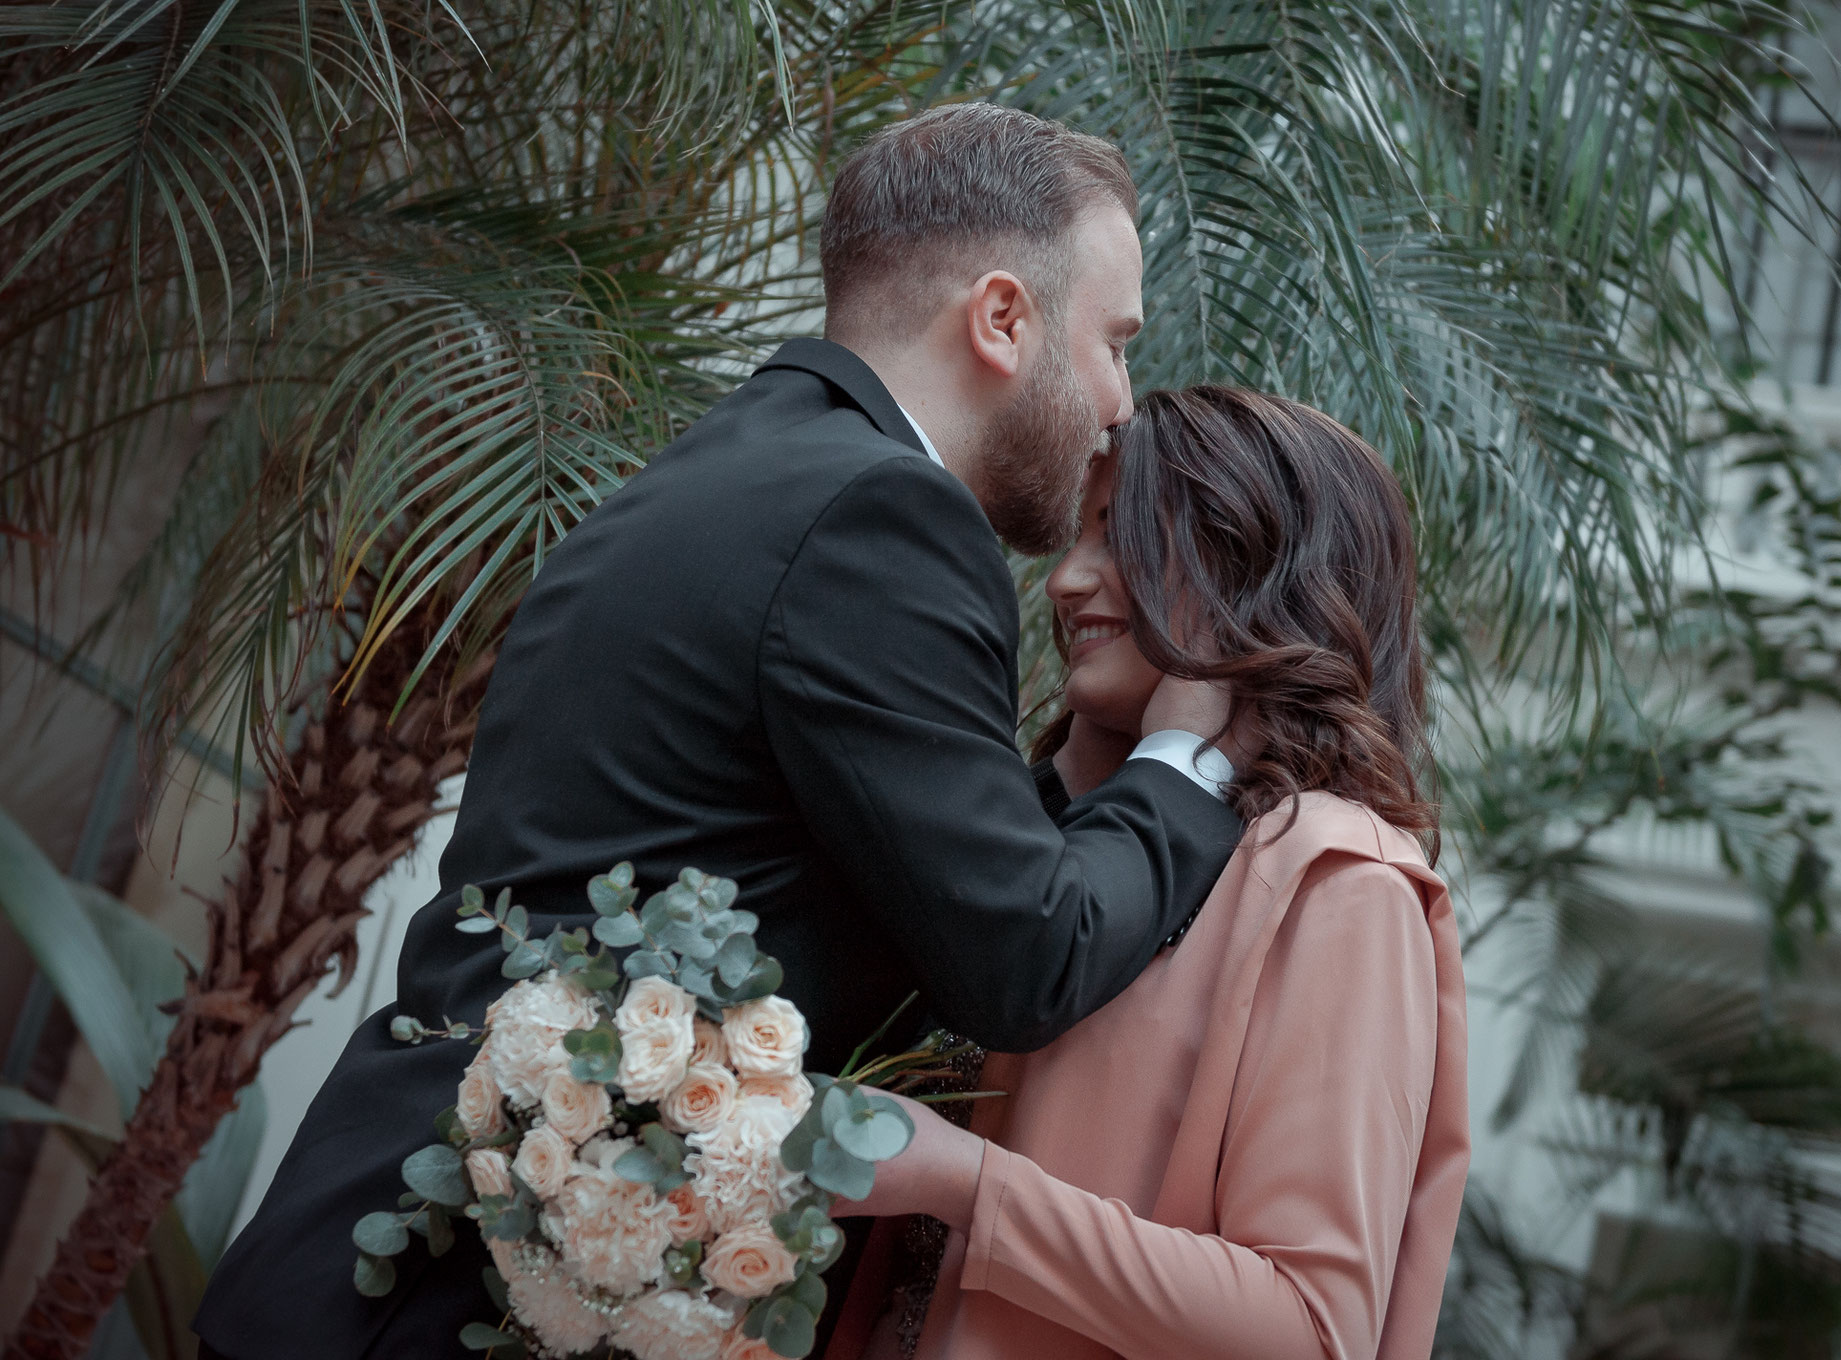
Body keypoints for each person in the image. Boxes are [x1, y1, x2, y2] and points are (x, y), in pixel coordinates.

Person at [194, 107, 1246, 1359]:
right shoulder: (883, 518)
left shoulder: (707, 476)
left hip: (364, 1262)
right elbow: (1022, 954)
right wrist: (1189, 761)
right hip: (458, 1306)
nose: (1119, 406)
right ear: (1003, 319)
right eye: (1114, 343)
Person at [828, 387, 1471, 1360]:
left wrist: (962, 1181)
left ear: (1248, 563)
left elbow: (1306, 1325)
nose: (1062, 581)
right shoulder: (1065, 837)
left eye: (1116, 534)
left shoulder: (1341, 882)